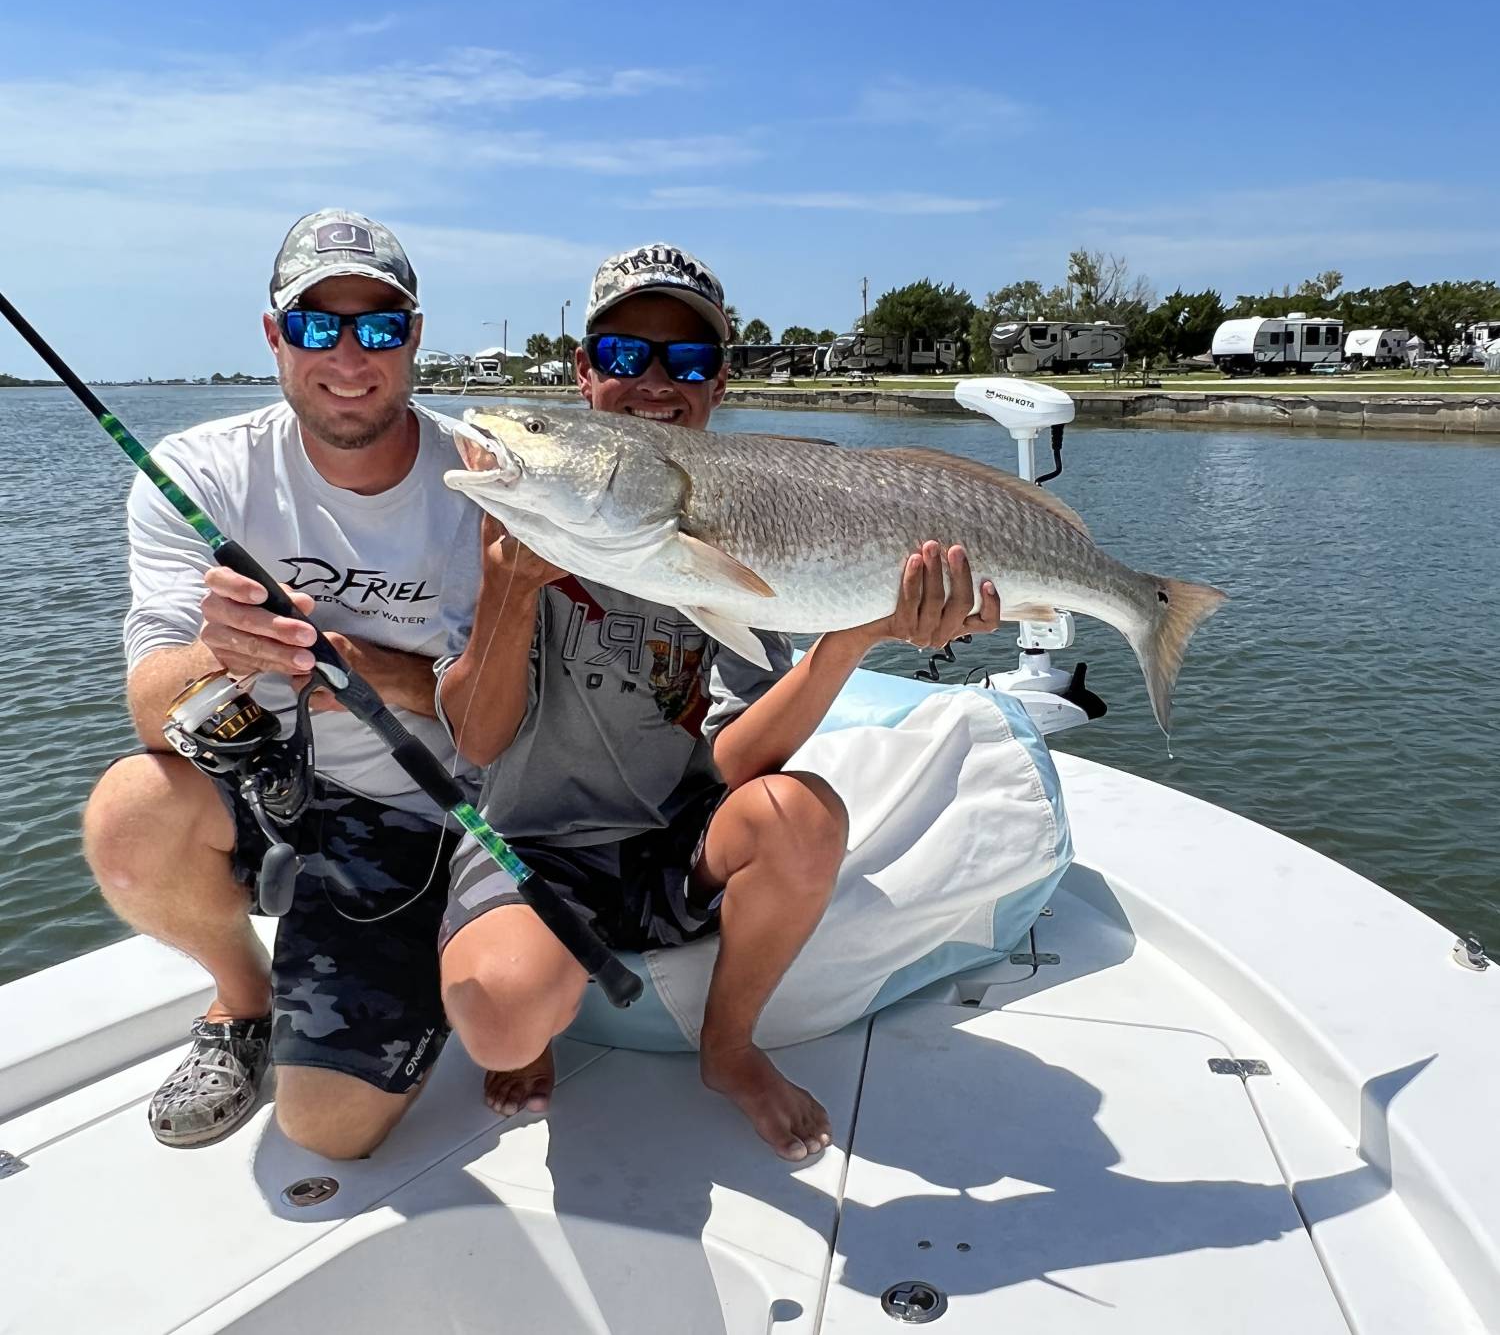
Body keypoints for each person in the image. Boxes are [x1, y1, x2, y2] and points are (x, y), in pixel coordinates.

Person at [436, 244, 1002, 1161]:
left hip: (672, 845)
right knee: (502, 1020)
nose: (656, 381)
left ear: (718, 384)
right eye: (625, 357)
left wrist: (852, 634)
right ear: (583, 377)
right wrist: (509, 586)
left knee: (802, 815)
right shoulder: (500, 512)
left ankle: (728, 1047)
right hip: (533, 841)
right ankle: (534, 1010)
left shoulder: (745, 524)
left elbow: (737, 761)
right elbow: (475, 740)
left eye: (688, 361)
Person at [83, 209, 480, 1157]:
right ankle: (244, 999)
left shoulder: (482, 477)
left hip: (418, 809)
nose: (349, 355)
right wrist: (225, 652)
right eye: (315, 325)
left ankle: (421, 945)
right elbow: (151, 710)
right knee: (129, 815)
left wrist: (376, 671)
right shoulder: (197, 473)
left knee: (328, 1131)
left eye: (380, 326)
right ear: (274, 336)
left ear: (416, 336)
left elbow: (525, 703)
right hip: (265, 782)